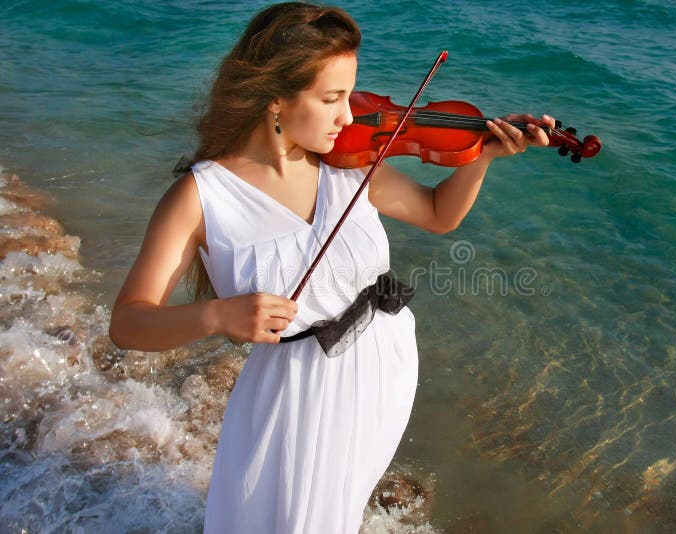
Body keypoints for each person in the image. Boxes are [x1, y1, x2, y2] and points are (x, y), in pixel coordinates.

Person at [109, 2, 554, 532]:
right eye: (331, 98)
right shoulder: (201, 197)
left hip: (382, 375)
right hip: (295, 402)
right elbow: (128, 323)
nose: (349, 116)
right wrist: (217, 316)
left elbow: (438, 215)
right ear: (275, 96)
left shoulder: (349, 163)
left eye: (350, 94)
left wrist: (480, 156)